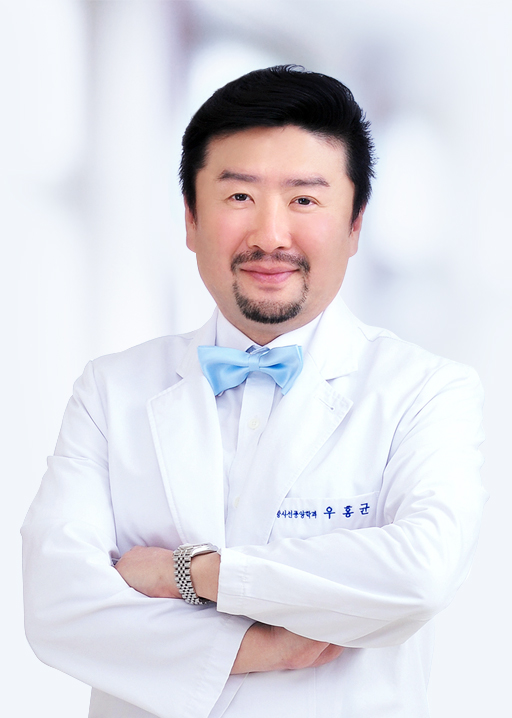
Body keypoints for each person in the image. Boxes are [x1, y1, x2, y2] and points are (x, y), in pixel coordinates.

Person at [22, 65, 487, 718]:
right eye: (239, 196)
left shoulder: (426, 391)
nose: (270, 236)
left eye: (304, 200)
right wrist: (262, 647)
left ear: (355, 225)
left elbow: (418, 573)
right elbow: (56, 605)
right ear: (190, 219)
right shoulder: (111, 390)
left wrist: (189, 575)